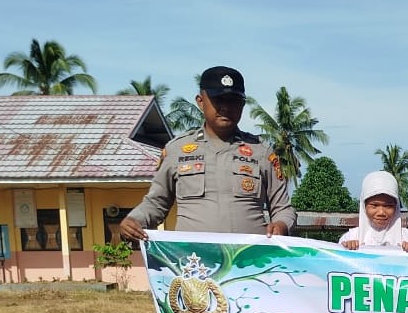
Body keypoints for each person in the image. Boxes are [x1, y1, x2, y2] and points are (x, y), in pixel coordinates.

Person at [119, 66, 296, 242]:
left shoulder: (261, 152)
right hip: (195, 261)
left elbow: (283, 208)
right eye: (218, 99)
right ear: (201, 101)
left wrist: (282, 224)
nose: (225, 107)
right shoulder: (177, 151)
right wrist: (135, 220)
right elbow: (156, 203)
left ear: (242, 104)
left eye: (233, 100)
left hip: (249, 261)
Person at [340, 170, 408, 252]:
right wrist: (346, 249)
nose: (381, 212)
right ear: (364, 206)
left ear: (396, 207)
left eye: (388, 206)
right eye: (374, 205)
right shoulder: (350, 237)